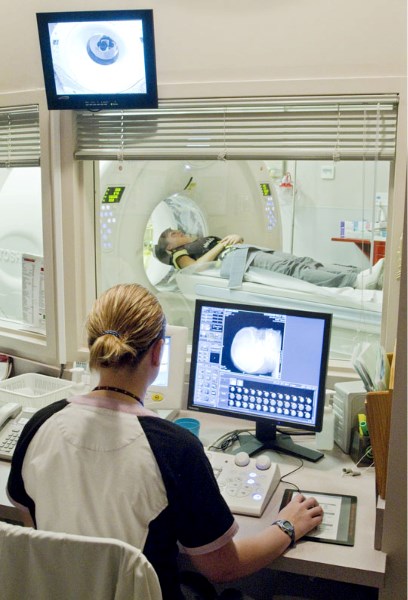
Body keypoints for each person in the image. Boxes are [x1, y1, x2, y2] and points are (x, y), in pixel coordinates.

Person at [7, 283, 323, 600]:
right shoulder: (175, 449)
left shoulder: (39, 425)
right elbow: (223, 568)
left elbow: (39, 538)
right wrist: (286, 526)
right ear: (158, 352)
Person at [155, 229, 385, 290]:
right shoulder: (178, 255)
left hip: (244, 250)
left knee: (301, 261)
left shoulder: (199, 240)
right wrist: (224, 244)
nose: (179, 233)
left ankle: (358, 275)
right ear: (170, 247)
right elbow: (193, 269)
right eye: (172, 235)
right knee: (293, 270)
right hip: (235, 260)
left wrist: (235, 237)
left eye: (176, 230)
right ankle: (355, 283)